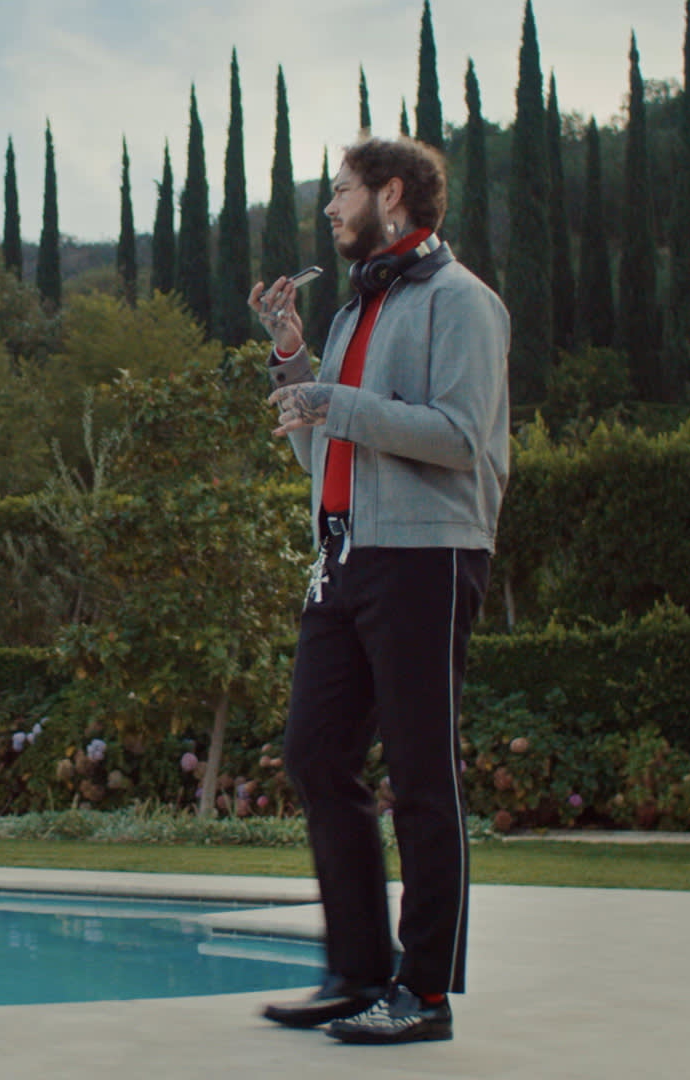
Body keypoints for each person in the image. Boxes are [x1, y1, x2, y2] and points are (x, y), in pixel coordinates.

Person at [247, 135, 510, 1046]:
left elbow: (460, 437)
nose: (329, 208)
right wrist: (293, 362)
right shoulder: (354, 314)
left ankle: (424, 993)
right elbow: (324, 454)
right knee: (317, 755)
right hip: (345, 557)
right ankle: (357, 973)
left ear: (391, 193)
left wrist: (337, 400)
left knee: (422, 775)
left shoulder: (462, 303)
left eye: (341, 191)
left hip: (427, 557)